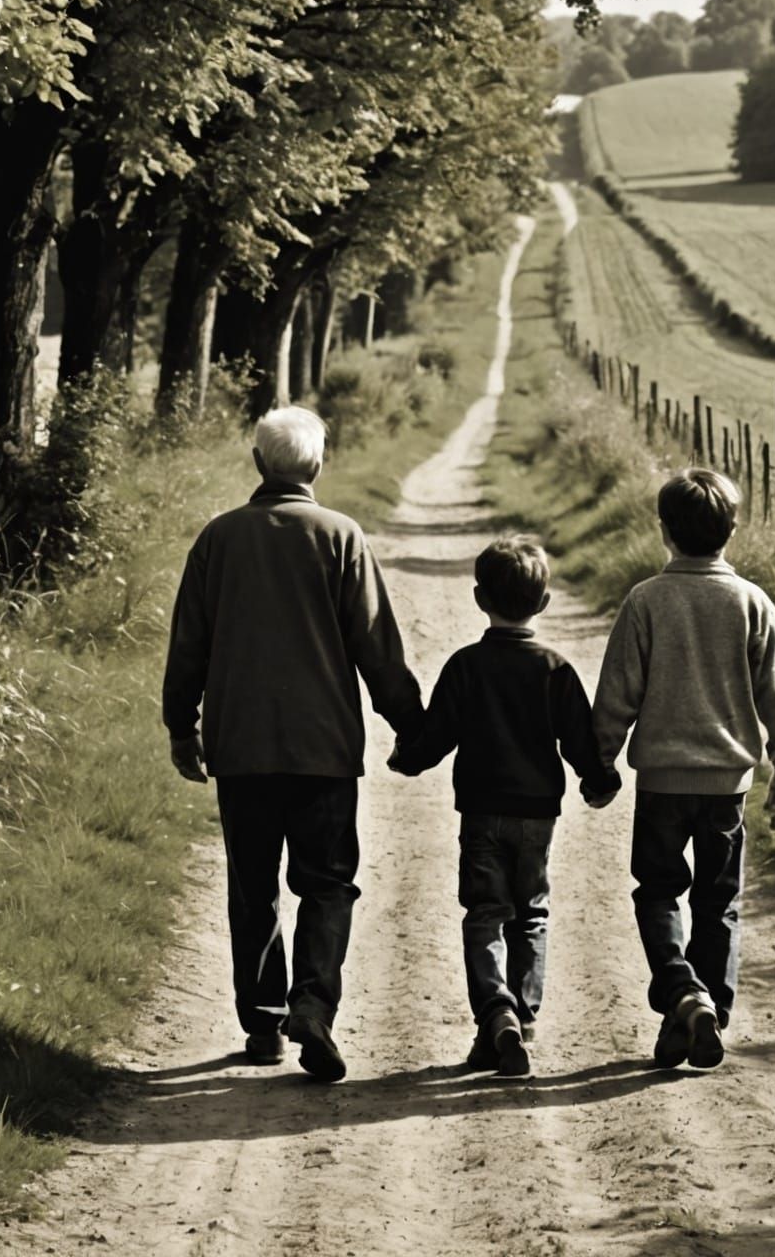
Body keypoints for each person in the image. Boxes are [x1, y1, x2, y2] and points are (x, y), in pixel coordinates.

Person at [162, 406, 423, 1083]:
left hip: (241, 747)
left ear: (258, 464)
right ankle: (314, 1003)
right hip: (323, 750)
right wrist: (412, 723)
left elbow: (189, 643)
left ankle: (265, 1023)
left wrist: (180, 726)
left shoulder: (218, 540)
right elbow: (376, 645)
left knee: (254, 888)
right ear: (318, 467)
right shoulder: (340, 537)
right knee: (328, 883)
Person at [591, 467, 775, 1071]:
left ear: (664, 532)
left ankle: (683, 996)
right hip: (726, 789)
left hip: (661, 782)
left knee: (657, 893)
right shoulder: (751, 603)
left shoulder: (646, 601)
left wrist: (600, 761)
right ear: (731, 531)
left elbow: (617, 694)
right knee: (719, 906)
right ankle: (706, 1004)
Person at [388, 535, 620, 1076]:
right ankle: (523, 1014)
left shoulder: (466, 666)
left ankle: (496, 1013)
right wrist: (597, 778)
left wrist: (409, 758)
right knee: (531, 912)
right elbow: (578, 740)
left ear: (477, 598)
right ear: (543, 603)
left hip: (482, 812)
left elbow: (437, 732)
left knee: (486, 913)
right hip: (538, 815)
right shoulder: (556, 669)